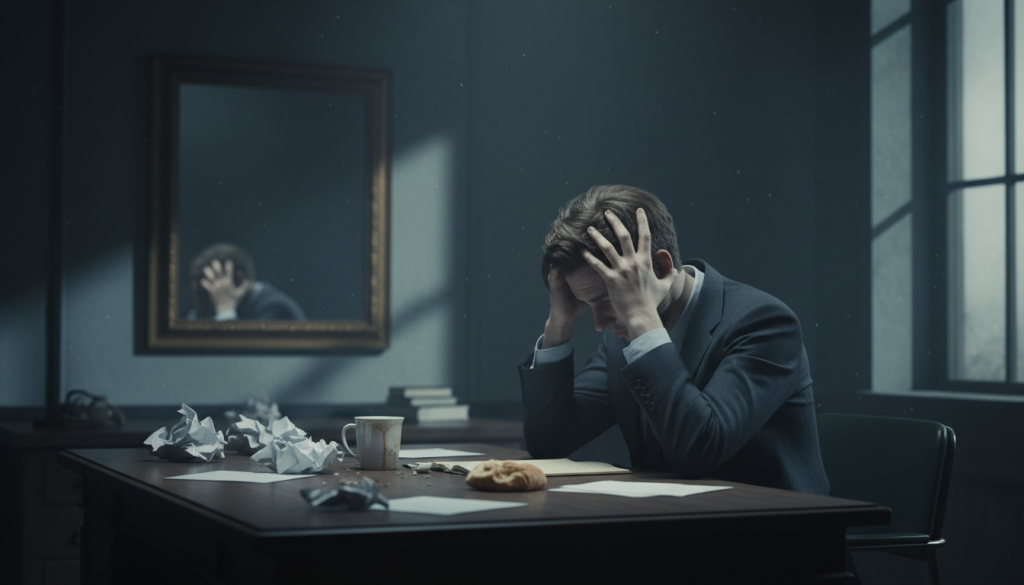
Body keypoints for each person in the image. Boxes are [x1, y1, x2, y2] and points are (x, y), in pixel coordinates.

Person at [519, 185, 830, 495]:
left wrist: (641, 320)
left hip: (776, 527)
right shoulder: (623, 336)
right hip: (670, 522)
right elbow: (551, 443)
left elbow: (698, 452)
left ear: (662, 267)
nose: (599, 324)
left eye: (609, 300)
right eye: (589, 305)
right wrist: (560, 322)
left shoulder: (764, 323)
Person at [187, 243, 307, 321]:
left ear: (238, 281)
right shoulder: (209, 310)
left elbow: (235, 357)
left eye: (207, 284)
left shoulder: (277, 309)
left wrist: (225, 309)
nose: (195, 288)